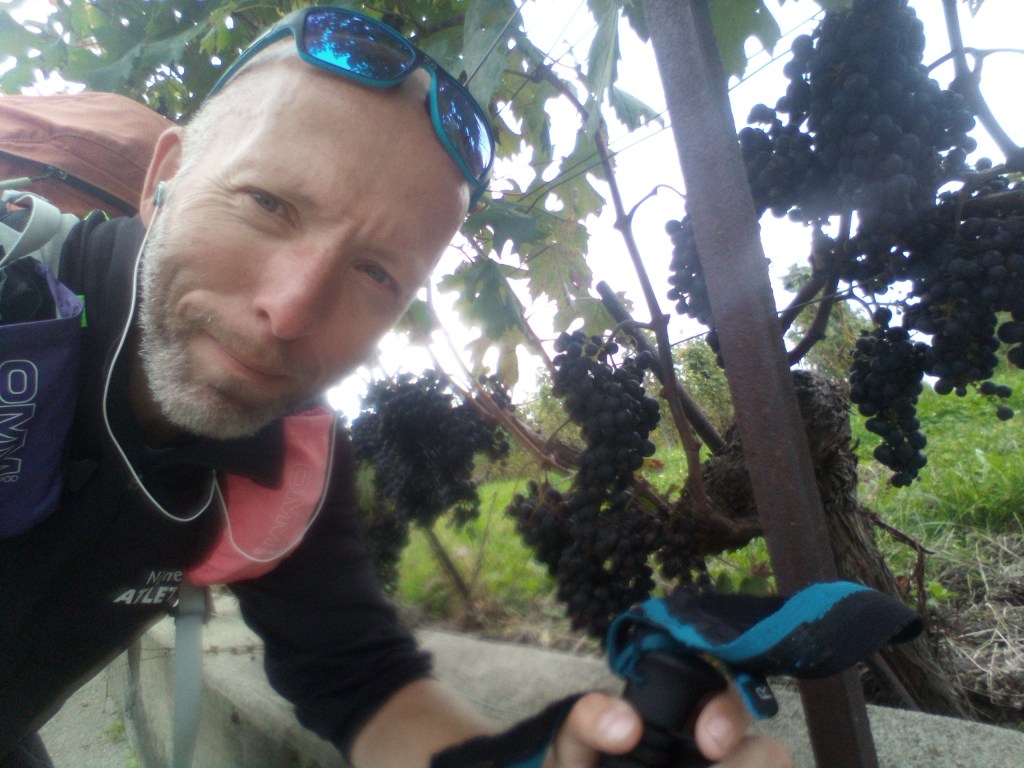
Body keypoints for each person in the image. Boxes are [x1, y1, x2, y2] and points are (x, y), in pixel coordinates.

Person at [0, 7, 793, 768]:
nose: (290, 310)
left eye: (377, 273)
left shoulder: (291, 452)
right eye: (268, 204)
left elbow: (363, 685)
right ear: (163, 177)